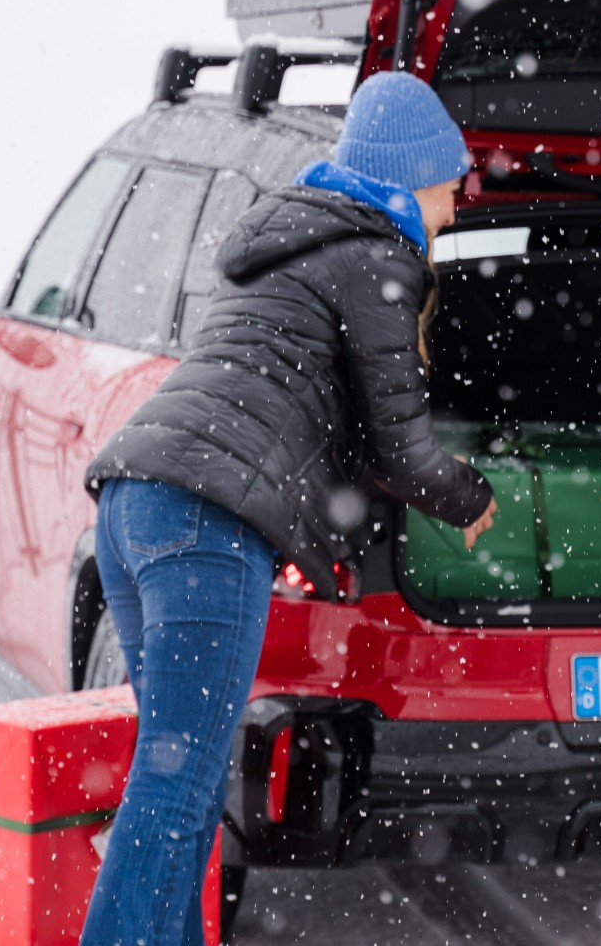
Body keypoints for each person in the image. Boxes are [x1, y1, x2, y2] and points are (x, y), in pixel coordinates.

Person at [79, 72, 497, 946]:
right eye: (454, 186)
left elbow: (315, 419)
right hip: (206, 518)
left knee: (180, 780)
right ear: (417, 175)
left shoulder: (293, 245)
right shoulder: (380, 257)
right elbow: (401, 446)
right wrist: (471, 495)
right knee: (179, 783)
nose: (456, 209)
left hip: (133, 502)